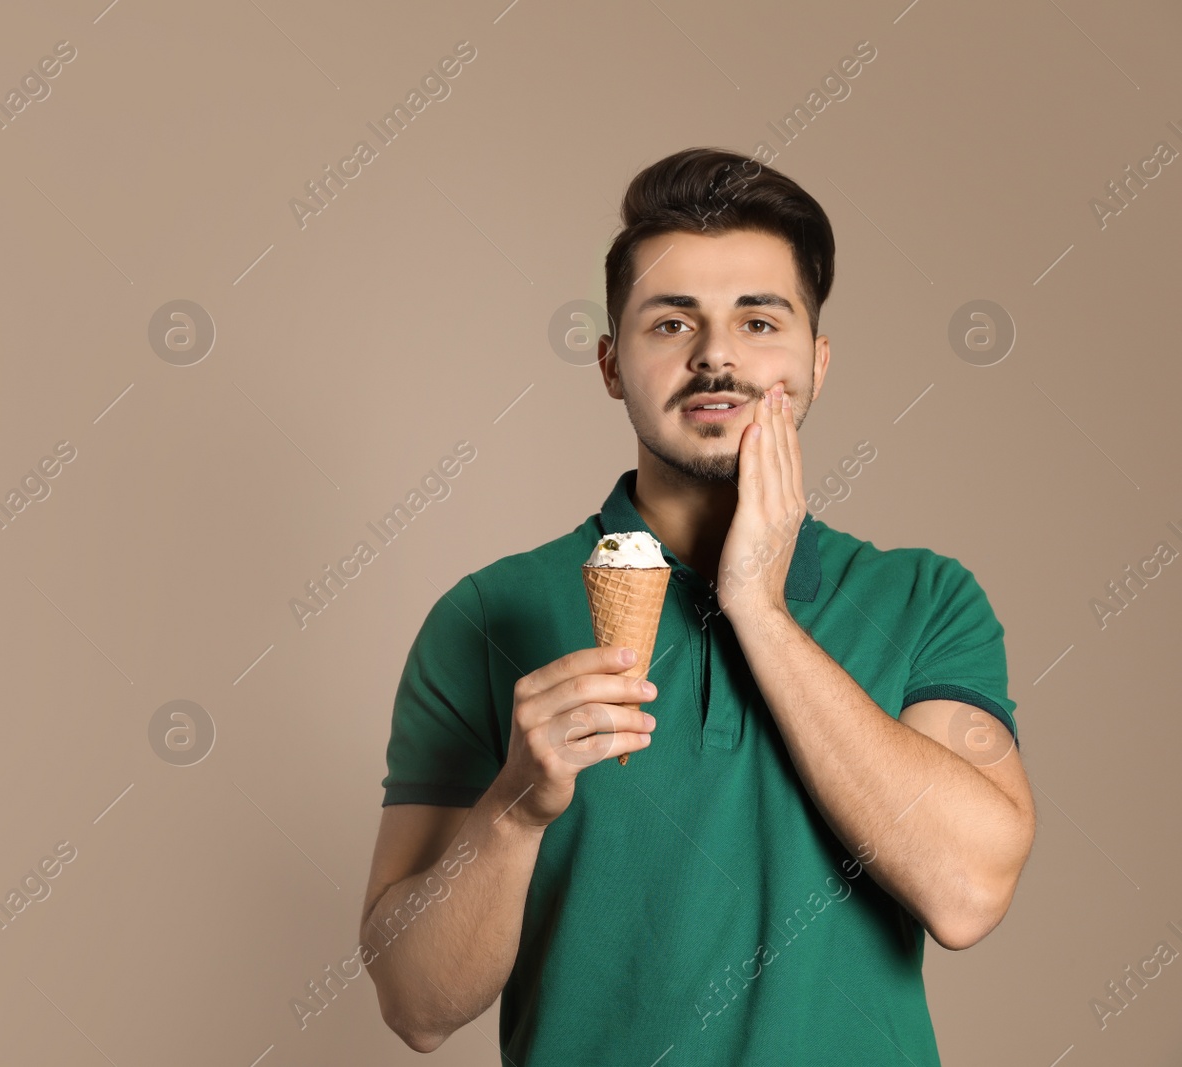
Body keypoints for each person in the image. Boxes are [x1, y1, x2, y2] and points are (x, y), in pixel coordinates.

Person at [358, 147, 1035, 1065]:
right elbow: (416, 1005)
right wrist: (514, 809)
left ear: (817, 362)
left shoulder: (924, 599)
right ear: (609, 363)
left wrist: (758, 606)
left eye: (760, 320)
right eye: (672, 322)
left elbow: (966, 892)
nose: (717, 354)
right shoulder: (485, 616)